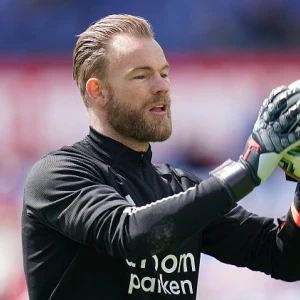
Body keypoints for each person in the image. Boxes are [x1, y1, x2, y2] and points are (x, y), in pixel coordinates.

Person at [22, 14, 300, 300]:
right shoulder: (57, 174)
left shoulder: (180, 188)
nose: (162, 86)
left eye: (164, 73)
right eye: (141, 75)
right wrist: (248, 168)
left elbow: (282, 257)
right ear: (99, 92)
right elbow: (132, 234)